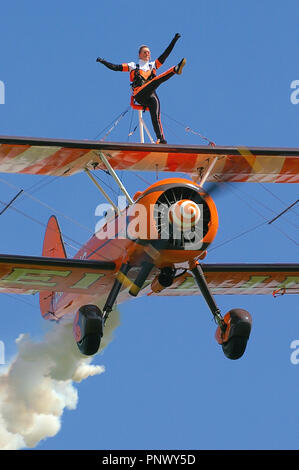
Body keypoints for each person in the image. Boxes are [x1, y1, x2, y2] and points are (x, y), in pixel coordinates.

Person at [96, 34, 186, 144]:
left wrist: (174, 40)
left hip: (151, 94)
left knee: (156, 115)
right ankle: (175, 70)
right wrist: (103, 61)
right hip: (139, 94)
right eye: (145, 52)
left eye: (148, 52)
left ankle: (160, 139)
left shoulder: (153, 65)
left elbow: (165, 55)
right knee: (156, 81)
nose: (147, 53)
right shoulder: (133, 66)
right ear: (139, 55)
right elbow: (115, 67)